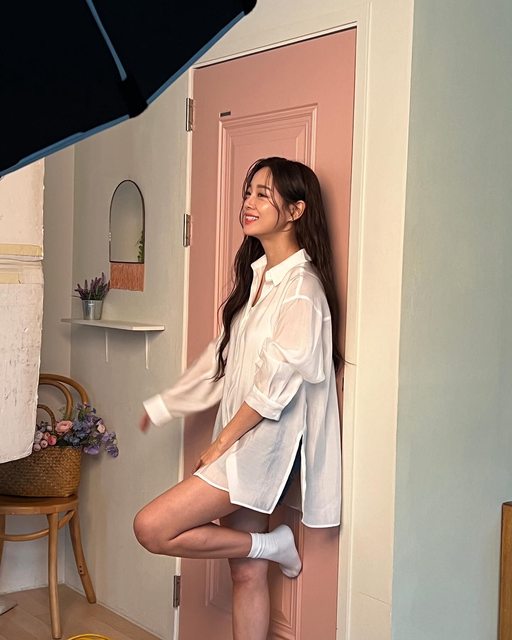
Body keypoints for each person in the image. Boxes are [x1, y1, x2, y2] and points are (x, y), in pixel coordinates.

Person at [133, 156, 343, 640]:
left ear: (295, 210)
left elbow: (273, 389)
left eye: (263, 194)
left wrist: (220, 443)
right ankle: (270, 547)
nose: (248, 202)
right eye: (248, 192)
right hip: (242, 441)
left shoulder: (302, 289)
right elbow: (222, 358)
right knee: (246, 573)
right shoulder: (259, 277)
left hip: (261, 448)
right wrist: (165, 405)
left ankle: (273, 545)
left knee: (151, 527)